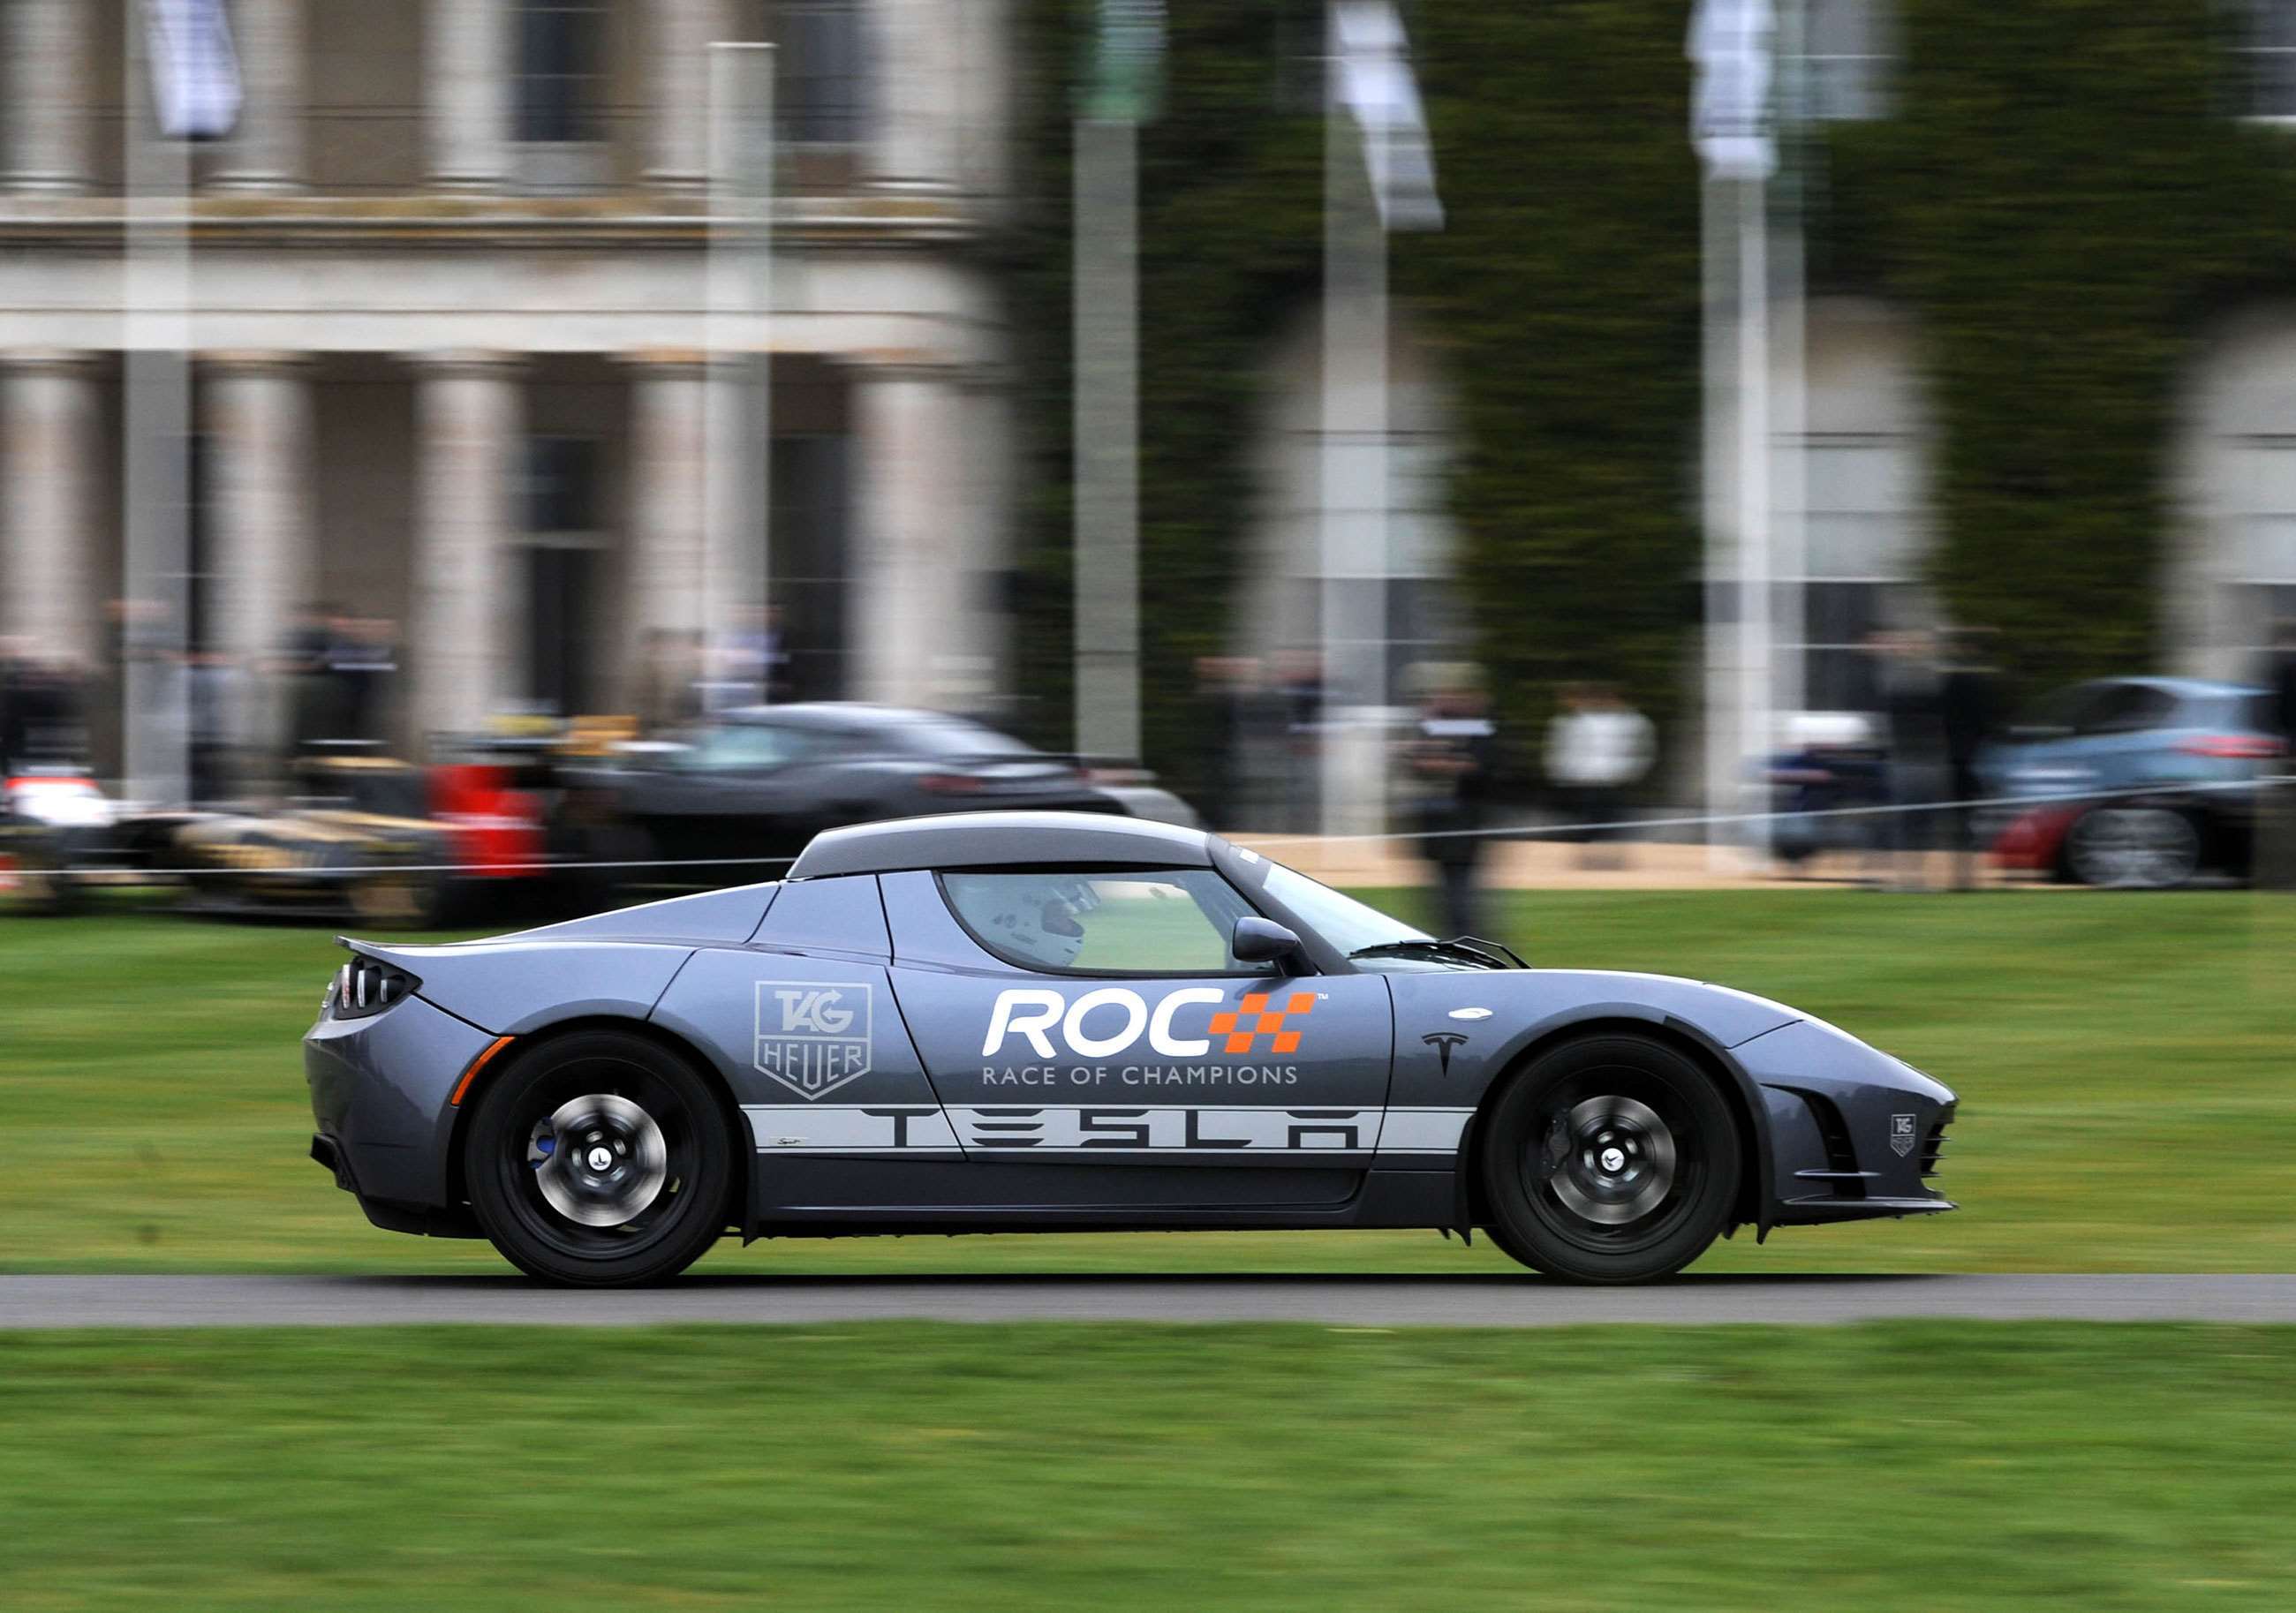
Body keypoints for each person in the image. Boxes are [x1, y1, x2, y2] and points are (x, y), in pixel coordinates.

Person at [1409, 667, 1501, 939]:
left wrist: (1439, 762)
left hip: (1465, 824)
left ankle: (1471, 942)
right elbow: (1416, 763)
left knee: (1461, 896)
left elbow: (1478, 767)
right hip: (1437, 823)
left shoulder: (1480, 728)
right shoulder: (1438, 726)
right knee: (1441, 899)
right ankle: (1454, 941)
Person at [1544, 682, 1655, 869]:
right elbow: (1563, 751)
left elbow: (1642, 750)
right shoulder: (1575, 721)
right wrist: (1565, 775)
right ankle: (1586, 859)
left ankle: (1615, 859)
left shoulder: (1632, 721)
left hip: (1616, 781)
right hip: (1585, 782)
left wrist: (1632, 771)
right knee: (1586, 822)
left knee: (1616, 823)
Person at [1938, 627, 2005, 890]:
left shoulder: (1950, 682)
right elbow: (1987, 722)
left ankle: (1962, 874)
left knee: (1959, 820)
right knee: (1971, 817)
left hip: (1956, 757)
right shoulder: (1981, 682)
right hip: (1975, 755)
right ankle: (1968, 874)